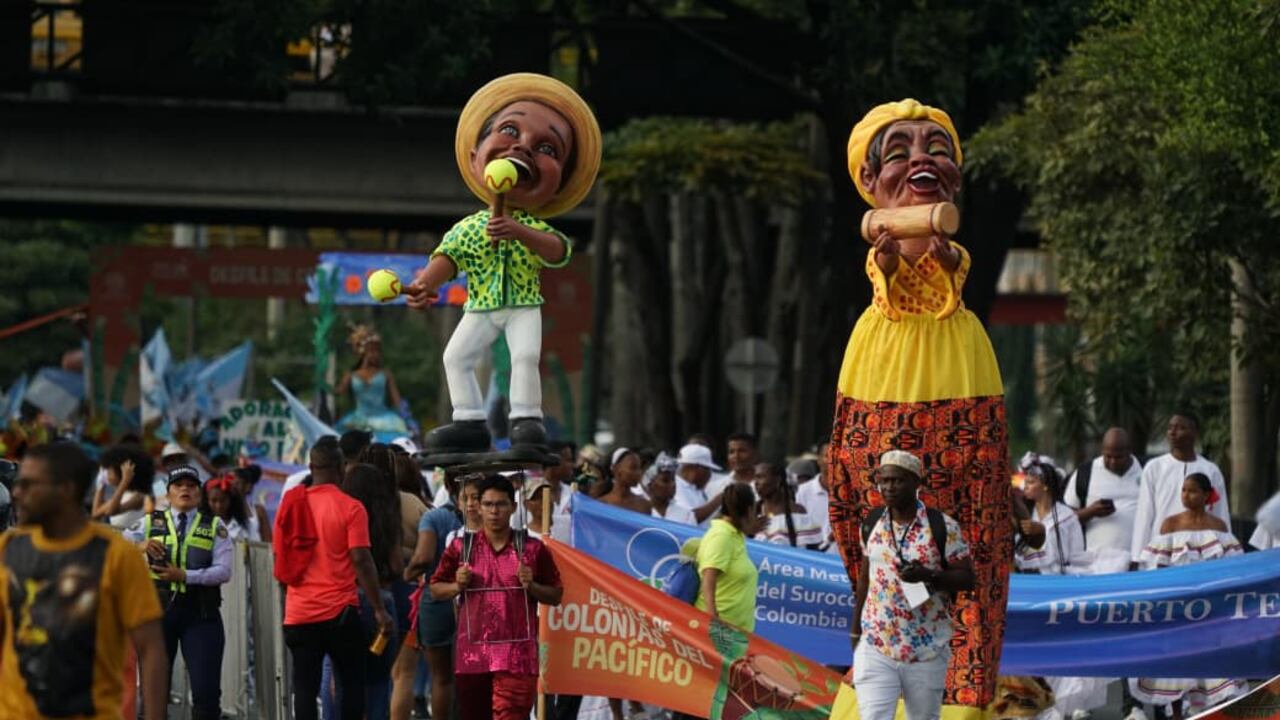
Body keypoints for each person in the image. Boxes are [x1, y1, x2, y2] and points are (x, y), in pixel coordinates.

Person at [830, 99, 1010, 713]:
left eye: (936, 148)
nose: (921, 159)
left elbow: (950, 269)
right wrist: (886, 253)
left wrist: (938, 248)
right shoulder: (877, 252)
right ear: (869, 179)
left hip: (959, 365)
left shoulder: (951, 247)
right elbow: (887, 276)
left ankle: (960, 699)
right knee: (869, 523)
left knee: (974, 530)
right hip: (878, 368)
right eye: (900, 150)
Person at [405, 73, 602, 453]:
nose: (524, 147)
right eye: (510, 129)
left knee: (525, 356)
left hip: (523, 306)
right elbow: (448, 257)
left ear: (558, 184)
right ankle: (469, 421)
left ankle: (526, 419)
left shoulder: (531, 226)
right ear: (475, 157)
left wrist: (518, 231)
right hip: (481, 306)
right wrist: (424, 285)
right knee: (455, 356)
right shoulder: (469, 227)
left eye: (547, 148)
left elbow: (558, 250)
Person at [0, 442, 168, 720]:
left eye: (30, 485)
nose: (17, 493)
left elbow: (150, 650)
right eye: (19, 484)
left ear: (65, 490)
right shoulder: (8, 550)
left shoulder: (117, 556)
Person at [852, 450, 974, 720]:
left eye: (898, 480)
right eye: (884, 481)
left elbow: (967, 578)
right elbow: (864, 577)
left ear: (916, 483)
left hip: (927, 646)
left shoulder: (942, 526)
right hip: (877, 642)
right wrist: (854, 630)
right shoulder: (872, 523)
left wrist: (929, 576)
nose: (889, 487)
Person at [430, 474, 563, 720]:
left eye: (501, 504)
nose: (494, 511)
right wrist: (457, 586)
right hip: (472, 657)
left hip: (518, 658)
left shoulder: (533, 548)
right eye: (488, 504)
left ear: (513, 507)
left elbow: (556, 595)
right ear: (478, 507)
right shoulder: (461, 547)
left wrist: (531, 585)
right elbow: (435, 589)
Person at [278, 439, 393, 720]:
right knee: (351, 685)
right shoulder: (351, 508)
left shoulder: (290, 505)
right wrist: (379, 609)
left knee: (304, 688)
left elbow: (280, 558)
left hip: (299, 614)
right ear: (341, 468)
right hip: (340, 614)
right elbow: (361, 560)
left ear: (310, 467)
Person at [1132, 473, 1246, 720]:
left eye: (1192, 491)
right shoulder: (1170, 524)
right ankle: (1175, 714)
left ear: (1206, 496)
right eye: (1183, 490)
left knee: (1208, 659)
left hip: (1210, 607)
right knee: (1177, 662)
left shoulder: (1219, 527)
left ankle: (1206, 711)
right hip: (1178, 605)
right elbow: (1158, 566)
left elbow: (1231, 568)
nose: (1186, 496)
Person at [123, 464, 232, 720]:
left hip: (201, 615)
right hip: (158, 614)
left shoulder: (214, 526)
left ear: (199, 494)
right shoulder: (151, 522)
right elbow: (118, 543)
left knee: (205, 694)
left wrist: (185, 576)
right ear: (168, 493)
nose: (185, 489)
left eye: (191, 485)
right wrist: (141, 545)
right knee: (153, 693)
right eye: (179, 485)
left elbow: (224, 571)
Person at [341, 463, 406, 720]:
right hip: (382, 602)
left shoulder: (342, 514)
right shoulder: (387, 519)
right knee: (379, 683)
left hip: (345, 601)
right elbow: (396, 566)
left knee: (345, 680)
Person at [406, 472, 470, 720]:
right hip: (469, 601)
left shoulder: (433, 517)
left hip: (436, 602)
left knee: (441, 678)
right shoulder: (486, 518)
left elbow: (423, 557)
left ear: (447, 485)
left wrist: (407, 572)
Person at [1131, 413, 1230, 567]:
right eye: (1170, 428)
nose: (1173, 432)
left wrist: (1226, 552)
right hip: (1162, 552)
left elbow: (1220, 513)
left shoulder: (1211, 470)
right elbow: (1144, 514)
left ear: (1195, 433)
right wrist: (1137, 557)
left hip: (1202, 554)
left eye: (1181, 428)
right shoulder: (1154, 467)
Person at [1064, 427, 1142, 556]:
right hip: (1096, 563)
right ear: (1102, 451)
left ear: (1129, 451)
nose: (1113, 462)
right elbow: (1063, 520)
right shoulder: (1085, 473)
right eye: (1108, 456)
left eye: (1118, 457)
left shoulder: (1146, 470)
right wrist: (1090, 512)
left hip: (1137, 561)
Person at [695, 483, 760, 631]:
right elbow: (708, 577)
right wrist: (713, 619)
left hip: (737, 631)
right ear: (750, 510)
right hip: (720, 631)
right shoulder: (721, 536)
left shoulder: (735, 535)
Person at [336, 325, 410, 443]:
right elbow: (338, 392)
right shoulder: (351, 375)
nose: (375, 354)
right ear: (363, 352)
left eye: (377, 351)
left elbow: (397, 399)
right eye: (371, 351)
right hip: (358, 419)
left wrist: (405, 416)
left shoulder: (385, 374)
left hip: (384, 419)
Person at [753, 462, 824, 549]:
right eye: (755, 477)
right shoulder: (753, 511)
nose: (756, 482)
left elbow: (811, 551)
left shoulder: (798, 514)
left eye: (761, 477)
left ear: (777, 480)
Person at [92, 443, 155, 529]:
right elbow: (95, 514)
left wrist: (124, 481)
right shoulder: (122, 494)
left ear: (121, 472)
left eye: (110, 472)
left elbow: (111, 511)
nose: (107, 475)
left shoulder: (138, 496)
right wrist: (100, 486)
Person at [796, 439, 834, 552]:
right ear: (819, 460)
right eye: (828, 456)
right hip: (812, 561)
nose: (833, 460)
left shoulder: (852, 492)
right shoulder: (804, 491)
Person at [675, 443, 725, 526]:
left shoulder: (695, 489)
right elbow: (691, 518)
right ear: (699, 468)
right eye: (708, 469)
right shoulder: (675, 487)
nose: (710, 474)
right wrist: (720, 498)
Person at [644, 452, 697, 525]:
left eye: (673, 480)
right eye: (665, 480)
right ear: (650, 484)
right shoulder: (640, 511)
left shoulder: (687, 515)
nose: (672, 485)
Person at [602, 447, 652, 515]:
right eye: (633, 468)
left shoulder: (644, 506)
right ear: (616, 469)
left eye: (639, 468)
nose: (638, 473)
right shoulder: (602, 504)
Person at [708, 432, 759, 498]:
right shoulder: (715, 487)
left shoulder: (768, 487)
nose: (736, 456)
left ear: (755, 454)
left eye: (742, 451)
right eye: (731, 452)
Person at [205, 474, 255, 540]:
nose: (218, 505)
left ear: (231, 500)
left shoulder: (245, 525)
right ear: (207, 500)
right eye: (214, 500)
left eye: (223, 500)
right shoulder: (200, 524)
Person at [230, 464, 272, 542]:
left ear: (247, 487)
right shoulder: (223, 509)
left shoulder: (259, 511)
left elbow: (268, 541)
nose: (233, 487)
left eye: (237, 483)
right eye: (231, 483)